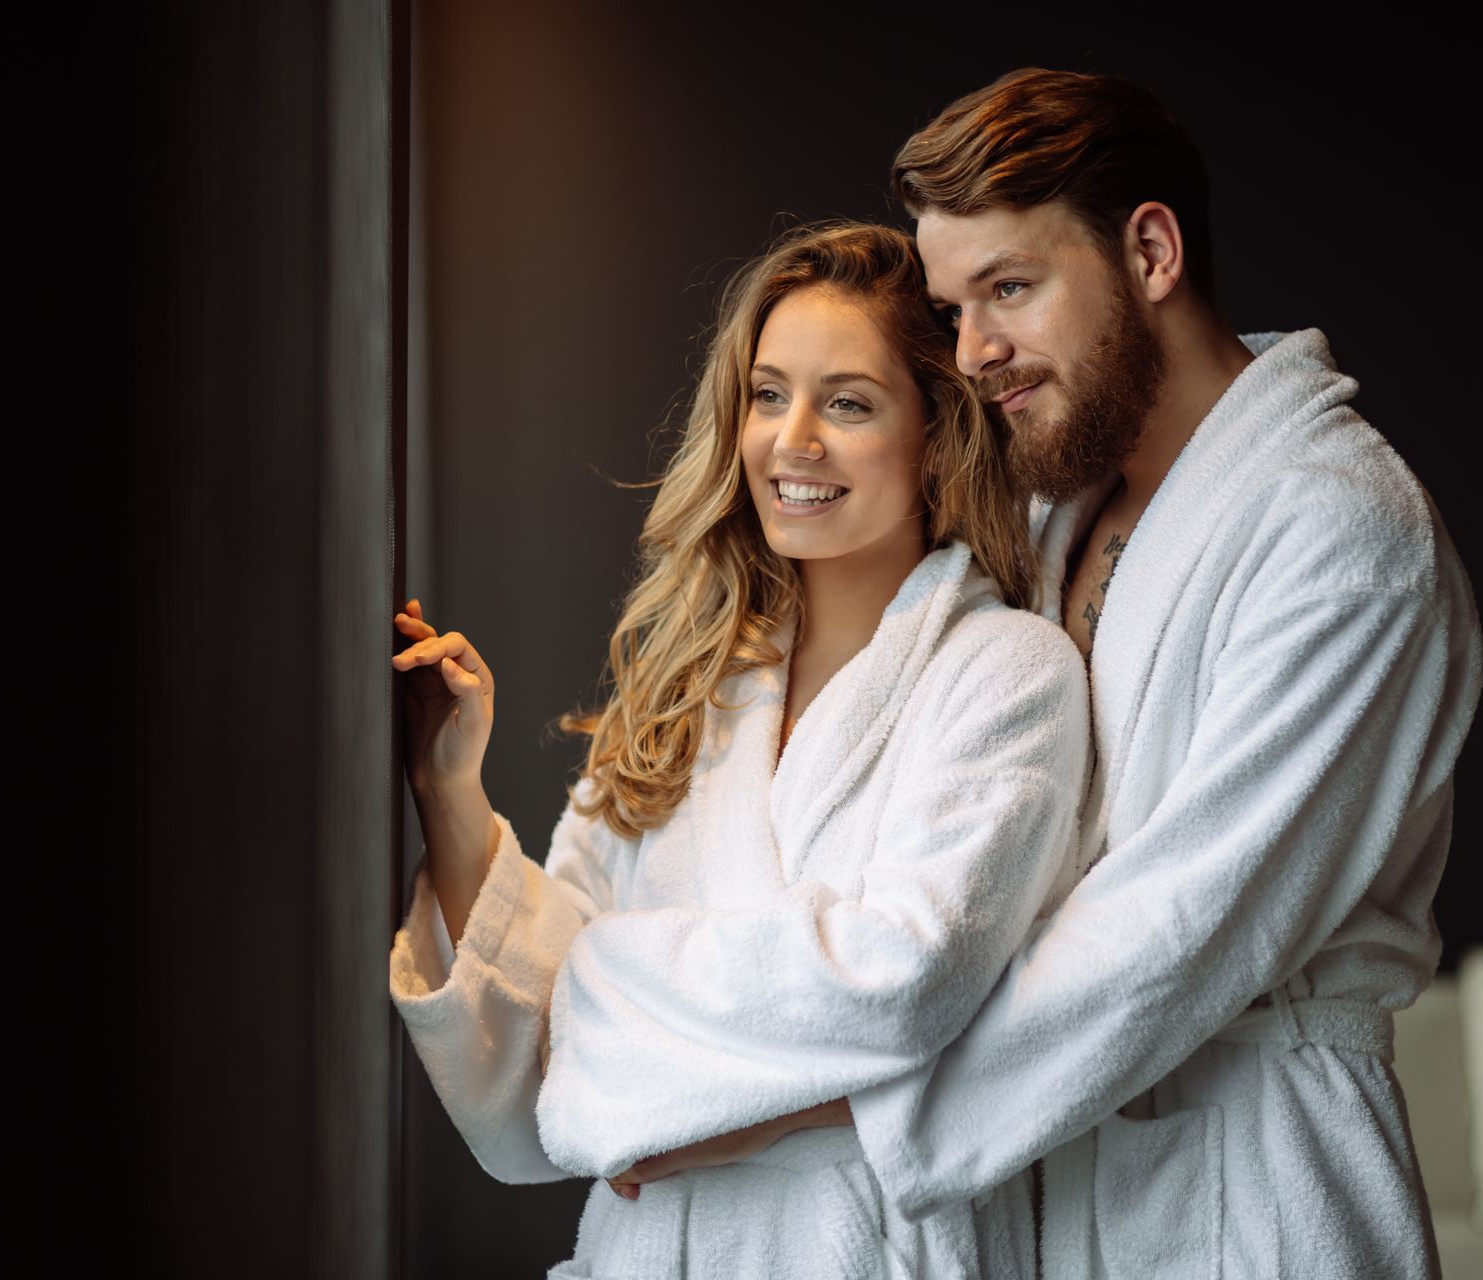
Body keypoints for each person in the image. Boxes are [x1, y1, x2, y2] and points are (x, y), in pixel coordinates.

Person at [610, 69, 1483, 1279]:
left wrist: (815, 1101)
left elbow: (1177, 933)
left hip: (1257, 1187)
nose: (973, 353)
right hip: (1047, 1179)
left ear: (1152, 250)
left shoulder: (1341, 532)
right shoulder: (1057, 504)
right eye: (952, 307)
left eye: (1010, 289)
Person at [387, 222, 1092, 1278]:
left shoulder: (1005, 672)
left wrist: (611, 1000)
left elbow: (908, 976)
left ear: (937, 435)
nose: (790, 440)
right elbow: (531, 1081)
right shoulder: (686, 688)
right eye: (768, 395)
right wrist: (450, 793)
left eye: (846, 403)